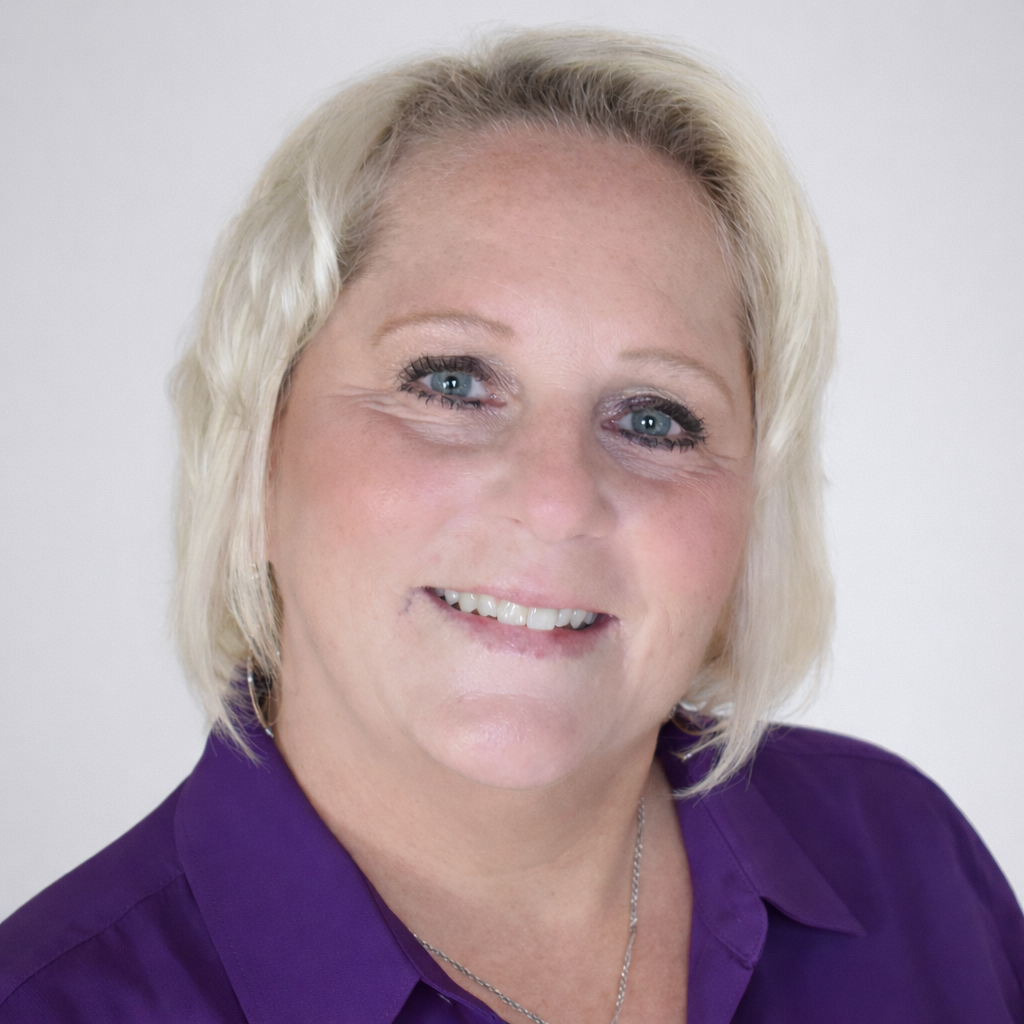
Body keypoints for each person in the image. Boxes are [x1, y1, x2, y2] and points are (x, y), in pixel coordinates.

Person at [0, 26, 1020, 1024]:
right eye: (450, 381)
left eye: (654, 417)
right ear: (258, 444)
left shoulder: (911, 868)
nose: (556, 498)